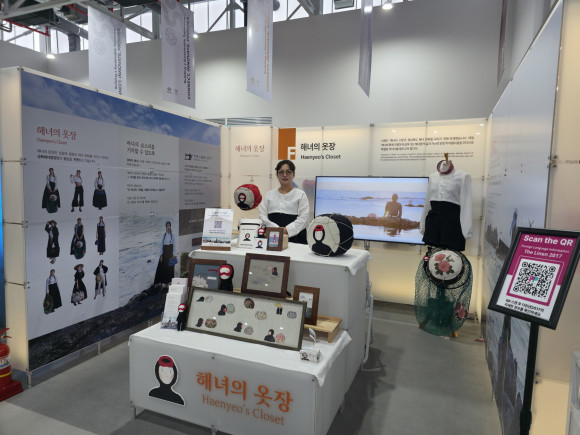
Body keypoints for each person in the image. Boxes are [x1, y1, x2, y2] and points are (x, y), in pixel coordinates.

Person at [420, 157, 472, 251]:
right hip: (433, 222)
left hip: (452, 222)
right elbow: (428, 201)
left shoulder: (463, 176)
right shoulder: (433, 176)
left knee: (451, 256)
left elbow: (466, 204)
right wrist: (423, 225)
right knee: (433, 255)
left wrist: (466, 230)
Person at [258, 160, 309, 244]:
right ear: (277, 175)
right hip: (273, 236)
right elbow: (262, 215)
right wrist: (276, 229)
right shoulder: (269, 195)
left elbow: (304, 218)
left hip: (296, 237)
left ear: (293, 174)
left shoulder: (301, 194)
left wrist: (285, 230)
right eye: (281, 172)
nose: (285, 175)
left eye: (288, 172)